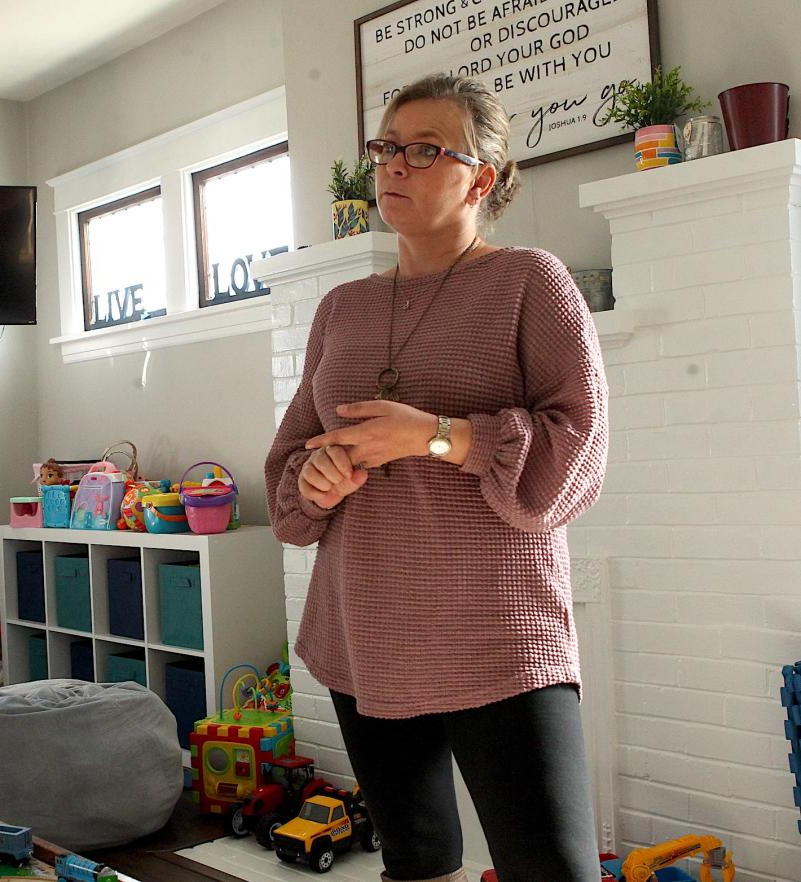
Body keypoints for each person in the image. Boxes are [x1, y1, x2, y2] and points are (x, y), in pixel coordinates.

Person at [264, 73, 609, 882]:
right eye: (386, 147)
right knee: (416, 863)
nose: (392, 166)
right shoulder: (341, 307)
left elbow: (578, 457)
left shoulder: (530, 281)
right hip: (365, 632)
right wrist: (313, 481)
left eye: (423, 150)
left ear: (480, 178)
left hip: (498, 636)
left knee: (553, 869)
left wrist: (438, 437)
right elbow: (288, 460)